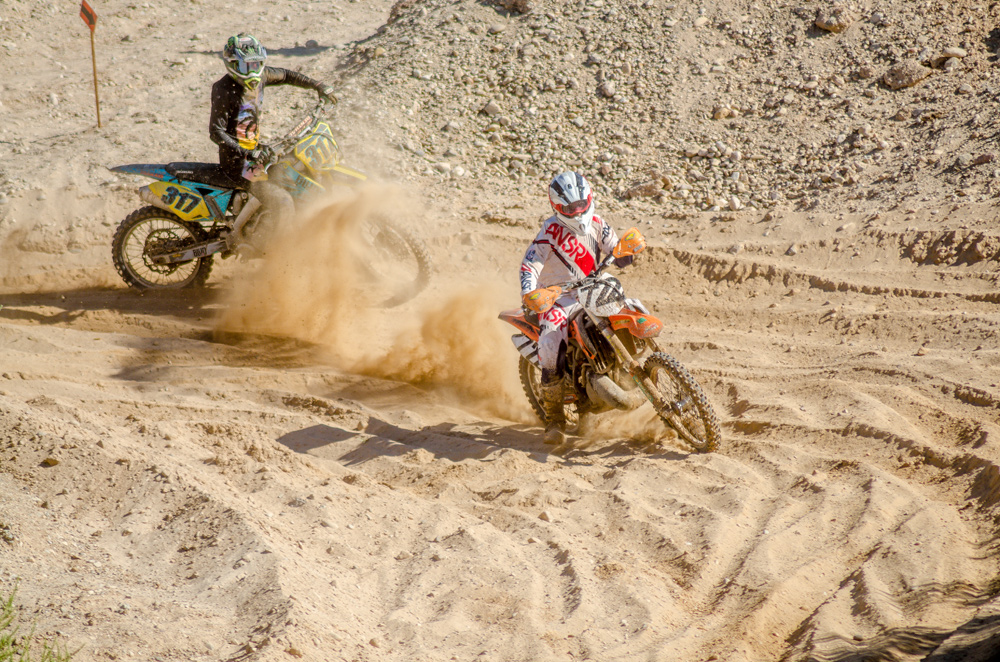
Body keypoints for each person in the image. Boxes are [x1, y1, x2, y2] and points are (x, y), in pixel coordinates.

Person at [519, 171, 634, 444]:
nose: (577, 210)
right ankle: (555, 419)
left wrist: (625, 253)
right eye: (570, 207)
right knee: (549, 344)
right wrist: (529, 294)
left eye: (581, 204)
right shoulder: (549, 231)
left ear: (589, 199)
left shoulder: (597, 223)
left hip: (595, 285)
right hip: (558, 297)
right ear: (557, 207)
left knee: (631, 306)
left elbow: (615, 247)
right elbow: (529, 265)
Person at [209, 33, 337, 243]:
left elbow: (287, 75)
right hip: (237, 162)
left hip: (257, 152)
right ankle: (276, 252)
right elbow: (216, 132)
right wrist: (249, 153)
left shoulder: (261, 76)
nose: (254, 70)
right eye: (247, 66)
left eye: (257, 63)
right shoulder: (223, 89)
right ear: (232, 64)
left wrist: (318, 86)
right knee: (283, 200)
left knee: (295, 175)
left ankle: (267, 225)